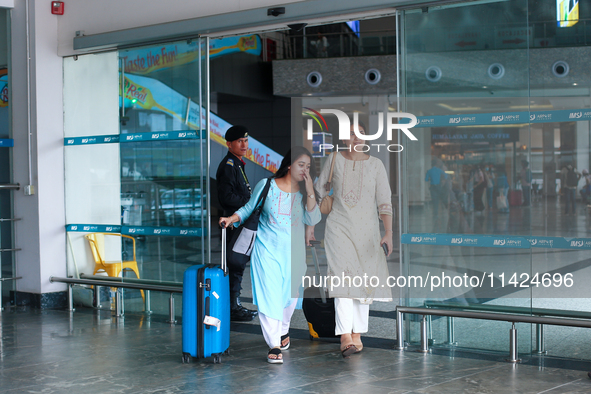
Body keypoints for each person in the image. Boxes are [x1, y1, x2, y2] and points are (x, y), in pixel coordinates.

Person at [219, 147, 321, 364]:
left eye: (309, 167)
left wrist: (311, 189)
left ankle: (283, 331)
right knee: (269, 296)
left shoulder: (304, 193)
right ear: (290, 165)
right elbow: (248, 208)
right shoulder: (267, 186)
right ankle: (274, 344)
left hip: (293, 255)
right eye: (301, 165)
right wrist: (231, 219)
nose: (305, 170)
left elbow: (313, 219)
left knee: (290, 297)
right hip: (266, 251)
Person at [313, 122, 393, 358]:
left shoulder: (376, 165)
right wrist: (312, 221)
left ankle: (357, 332)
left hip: (368, 232)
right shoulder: (335, 159)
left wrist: (388, 232)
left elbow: (384, 201)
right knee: (342, 279)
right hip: (339, 229)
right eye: (351, 134)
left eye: (360, 133)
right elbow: (318, 189)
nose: (356, 138)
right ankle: (345, 335)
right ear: (344, 138)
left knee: (363, 282)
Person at [215, 125, 257, 322]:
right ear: (229, 144)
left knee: (238, 265)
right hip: (233, 224)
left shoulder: (238, 164)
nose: (244, 144)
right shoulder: (228, 166)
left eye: (246, 141)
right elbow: (226, 198)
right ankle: (233, 306)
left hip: (240, 222)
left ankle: (234, 304)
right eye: (239, 141)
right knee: (235, 264)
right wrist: (250, 204)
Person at [425, 158, 447, 229]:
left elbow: (426, 179)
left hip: (433, 187)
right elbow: (445, 176)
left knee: (435, 201)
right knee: (441, 199)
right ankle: (443, 211)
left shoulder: (429, 171)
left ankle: (436, 213)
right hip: (439, 186)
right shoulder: (439, 170)